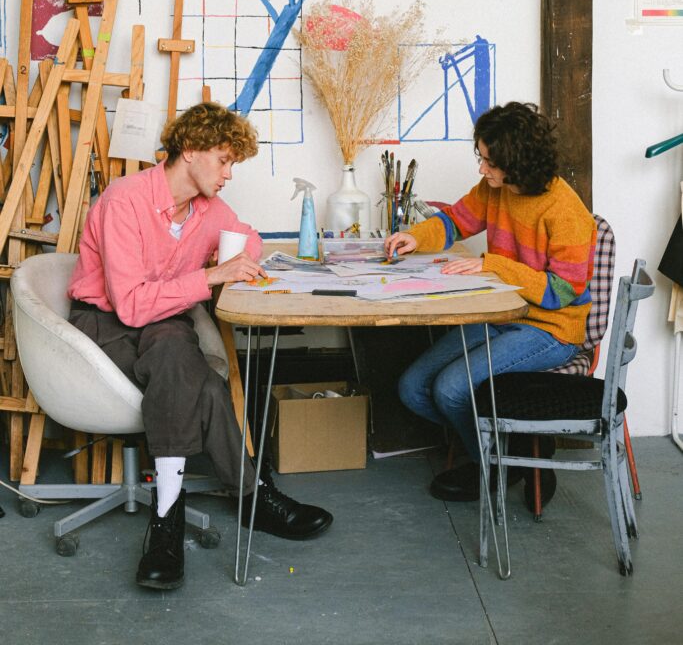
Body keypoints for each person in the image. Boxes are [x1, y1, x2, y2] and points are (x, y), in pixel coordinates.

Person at [68, 102, 332, 590]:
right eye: (224, 160)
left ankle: (168, 523)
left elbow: (248, 239)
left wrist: (231, 255)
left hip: (163, 330)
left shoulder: (207, 209)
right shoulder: (124, 202)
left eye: (234, 163)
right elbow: (128, 306)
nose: (230, 174)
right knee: (181, 356)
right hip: (104, 325)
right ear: (189, 151)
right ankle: (249, 498)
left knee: (185, 365)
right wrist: (212, 273)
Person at [384, 101, 596, 507]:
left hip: (551, 329)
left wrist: (495, 266)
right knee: (412, 388)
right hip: (500, 314)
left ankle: (494, 465)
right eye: (480, 157)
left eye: (488, 161)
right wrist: (416, 238)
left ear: (515, 163)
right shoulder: (493, 189)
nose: (481, 169)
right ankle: (515, 452)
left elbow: (564, 293)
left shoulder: (565, 210)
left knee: (450, 389)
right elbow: (453, 221)